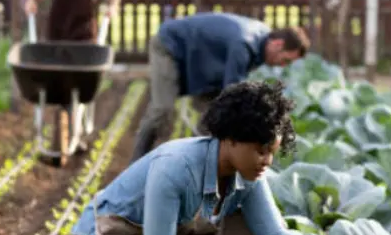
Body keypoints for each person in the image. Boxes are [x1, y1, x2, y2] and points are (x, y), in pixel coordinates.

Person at [72, 80, 308, 235]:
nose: (267, 161)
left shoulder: (250, 175)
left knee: (252, 234)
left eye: (272, 152)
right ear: (232, 138)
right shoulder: (176, 167)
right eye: (261, 151)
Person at [130, 12, 310, 162]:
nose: (283, 65)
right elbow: (232, 96)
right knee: (163, 108)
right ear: (277, 44)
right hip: (171, 45)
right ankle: (137, 162)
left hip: (199, 60)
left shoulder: (263, 39)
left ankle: (192, 163)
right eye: (285, 59)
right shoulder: (245, 43)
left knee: (211, 119)